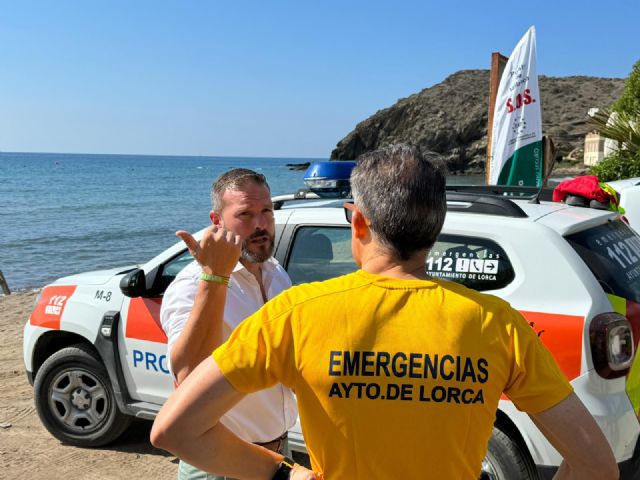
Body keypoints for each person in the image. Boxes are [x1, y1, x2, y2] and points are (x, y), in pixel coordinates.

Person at [152, 145, 618, 480]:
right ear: (436, 226)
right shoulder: (498, 324)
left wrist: (281, 476)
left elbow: (174, 430)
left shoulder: (296, 312)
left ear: (357, 220)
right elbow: (597, 466)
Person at [159, 168, 297, 480]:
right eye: (245, 214)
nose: (261, 224)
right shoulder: (192, 284)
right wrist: (215, 278)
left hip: (277, 453)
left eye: (266, 211)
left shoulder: (276, 274)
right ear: (217, 221)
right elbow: (188, 374)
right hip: (220, 463)